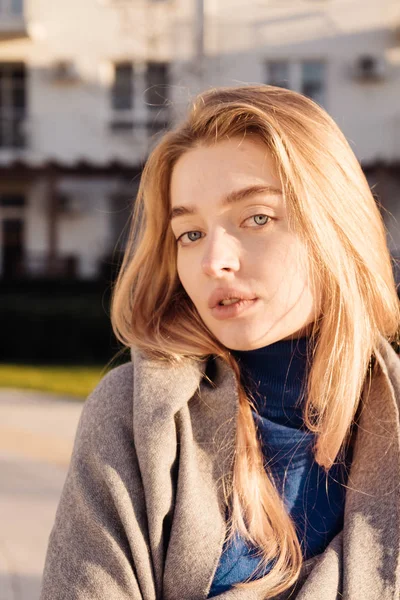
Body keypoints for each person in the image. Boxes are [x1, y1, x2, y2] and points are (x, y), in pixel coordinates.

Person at [40, 85, 400, 600]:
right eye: (190, 233)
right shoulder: (135, 417)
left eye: (257, 218)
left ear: (336, 228)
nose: (213, 262)